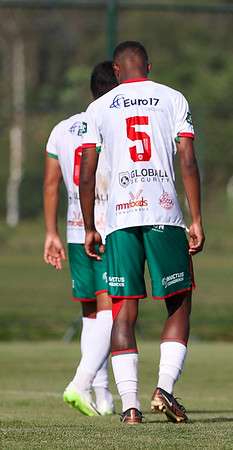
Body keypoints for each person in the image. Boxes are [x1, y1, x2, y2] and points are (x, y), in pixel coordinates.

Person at [79, 41, 204, 425]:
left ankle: (130, 407)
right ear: (148, 66)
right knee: (178, 301)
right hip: (164, 212)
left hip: (118, 218)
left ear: (116, 71)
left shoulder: (98, 108)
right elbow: (187, 158)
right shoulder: (172, 98)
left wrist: (89, 227)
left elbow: (85, 173)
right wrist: (195, 217)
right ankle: (163, 388)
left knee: (123, 309)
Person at [43, 61, 118, 417]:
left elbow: (50, 184)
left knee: (91, 313)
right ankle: (84, 383)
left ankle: (101, 396)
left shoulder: (62, 128)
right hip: (105, 228)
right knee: (112, 311)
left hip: (74, 230)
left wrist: (50, 233)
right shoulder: (110, 122)